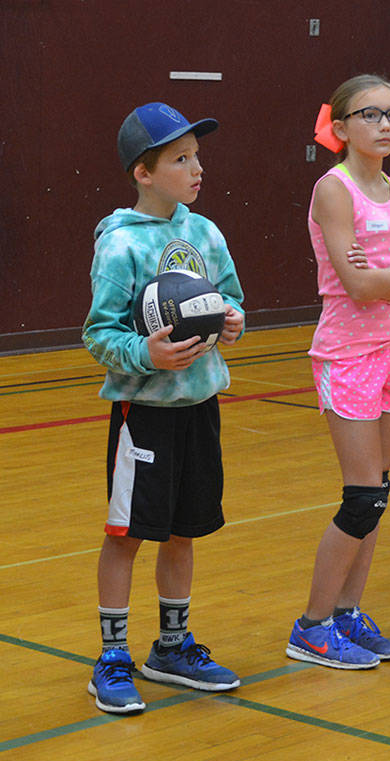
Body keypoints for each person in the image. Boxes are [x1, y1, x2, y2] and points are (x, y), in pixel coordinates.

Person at [82, 101, 245, 713]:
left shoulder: (205, 233)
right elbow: (99, 333)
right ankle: (112, 657)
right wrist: (147, 353)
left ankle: (171, 647)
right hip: (142, 413)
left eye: (197, 156)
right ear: (143, 173)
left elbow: (232, 298)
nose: (196, 168)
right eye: (181, 159)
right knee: (128, 534)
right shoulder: (120, 245)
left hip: (199, 404)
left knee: (183, 530)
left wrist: (232, 323)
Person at [284, 75, 390, 669]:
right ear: (342, 129)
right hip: (345, 354)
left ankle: (348, 611)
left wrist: (387, 272)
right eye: (370, 114)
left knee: (380, 492)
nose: (384, 124)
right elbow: (358, 286)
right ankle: (312, 625)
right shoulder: (334, 189)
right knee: (362, 496)